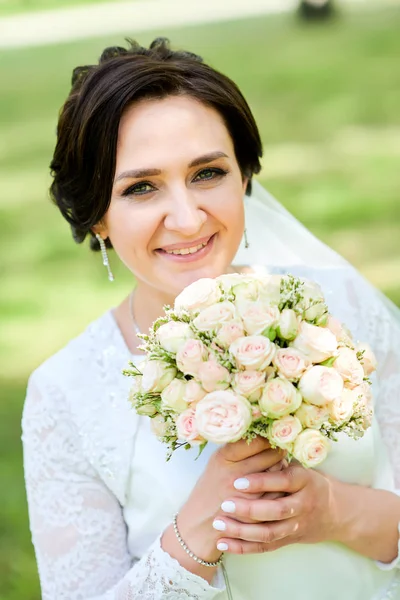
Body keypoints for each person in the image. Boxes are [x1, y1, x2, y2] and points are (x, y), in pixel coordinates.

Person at [21, 38, 400, 600]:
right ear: (98, 216)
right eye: (141, 187)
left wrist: (333, 511)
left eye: (207, 174)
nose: (187, 216)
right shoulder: (65, 393)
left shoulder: (338, 302)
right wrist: (200, 528)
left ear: (244, 176)